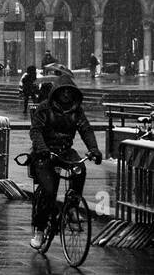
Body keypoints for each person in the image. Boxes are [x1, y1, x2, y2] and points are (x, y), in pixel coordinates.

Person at [28, 80, 102, 250]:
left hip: (65, 151)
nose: (66, 95)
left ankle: (72, 206)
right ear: (56, 93)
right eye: (63, 92)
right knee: (48, 190)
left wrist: (94, 149)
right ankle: (39, 229)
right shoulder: (44, 108)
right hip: (45, 152)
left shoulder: (77, 110)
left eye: (70, 92)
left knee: (79, 170)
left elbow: (86, 129)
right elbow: (36, 130)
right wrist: (42, 148)